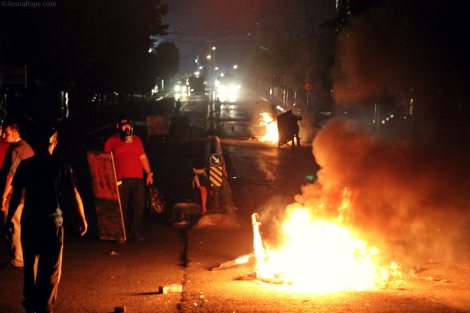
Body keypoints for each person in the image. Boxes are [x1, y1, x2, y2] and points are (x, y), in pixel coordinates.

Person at [8, 126, 88, 313]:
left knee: (30, 265)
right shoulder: (61, 165)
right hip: (53, 221)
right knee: (50, 267)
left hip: (30, 220)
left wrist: (8, 221)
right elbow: (74, 194)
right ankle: (46, 305)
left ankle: (30, 303)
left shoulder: (26, 165)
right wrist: (82, 218)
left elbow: (16, 194)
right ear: (55, 143)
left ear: (37, 144)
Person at [104, 117, 154, 241]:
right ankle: (122, 233)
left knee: (139, 206)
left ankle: (135, 231)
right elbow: (104, 160)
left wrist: (149, 173)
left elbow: (143, 157)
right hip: (121, 179)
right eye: (124, 125)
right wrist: (107, 178)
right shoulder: (112, 141)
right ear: (118, 127)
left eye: (129, 125)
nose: (127, 127)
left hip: (137, 179)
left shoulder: (137, 140)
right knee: (122, 208)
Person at [0, 122, 34, 267]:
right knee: (22, 224)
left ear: (15, 132)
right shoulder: (27, 147)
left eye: (6, 133)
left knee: (13, 225)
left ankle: (18, 258)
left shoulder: (16, 150)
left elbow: (11, 175)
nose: (3, 135)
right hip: (28, 192)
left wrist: (4, 195)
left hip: (16, 194)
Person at [173, 159, 210, 227]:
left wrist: (203, 206)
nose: (192, 169)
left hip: (199, 204)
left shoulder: (198, 176)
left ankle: (186, 224)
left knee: (179, 207)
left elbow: (203, 191)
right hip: (200, 203)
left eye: (193, 167)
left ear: (194, 168)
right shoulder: (204, 175)